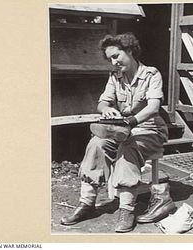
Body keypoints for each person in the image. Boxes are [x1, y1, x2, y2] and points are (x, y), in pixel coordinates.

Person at [60, 32, 175, 233]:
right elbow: (102, 102)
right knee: (97, 143)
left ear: (129, 50)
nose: (113, 62)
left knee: (127, 146)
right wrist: (106, 109)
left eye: (116, 56)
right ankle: (86, 203)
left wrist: (131, 121)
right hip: (122, 130)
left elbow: (153, 107)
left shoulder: (151, 74)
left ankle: (126, 209)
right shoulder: (115, 77)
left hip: (150, 131)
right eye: (110, 59)